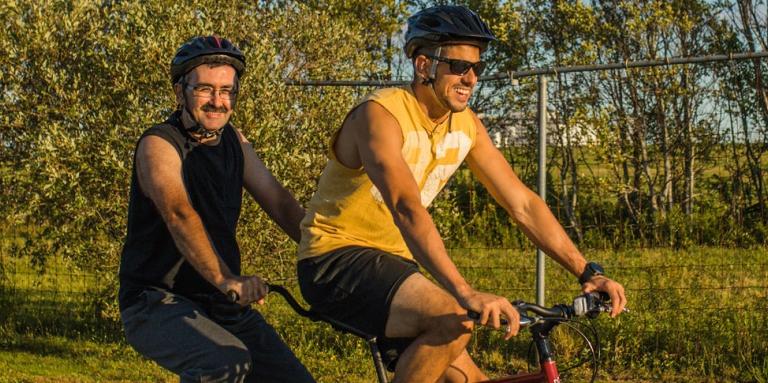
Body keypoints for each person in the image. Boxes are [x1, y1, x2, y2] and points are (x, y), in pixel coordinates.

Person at [296, 6, 627, 383]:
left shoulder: (465, 125)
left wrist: (587, 271)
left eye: (477, 68)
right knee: (452, 319)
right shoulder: (380, 115)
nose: (470, 78)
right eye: (458, 66)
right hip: (335, 260)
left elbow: (521, 203)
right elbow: (406, 207)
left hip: (395, 267)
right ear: (424, 65)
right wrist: (464, 292)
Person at [118, 35, 315, 383]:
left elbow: (281, 203)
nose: (217, 101)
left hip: (219, 303)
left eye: (227, 91)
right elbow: (179, 213)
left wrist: (329, 252)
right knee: (223, 363)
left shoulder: (235, 143)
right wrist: (226, 278)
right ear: (180, 92)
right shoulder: (159, 144)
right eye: (205, 89)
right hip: (155, 302)